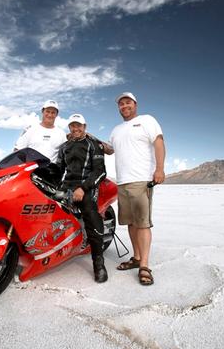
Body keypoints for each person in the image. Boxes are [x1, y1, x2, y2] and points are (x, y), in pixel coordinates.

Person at [108, 92, 165, 286]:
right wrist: (88, 137)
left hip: (141, 180)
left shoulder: (147, 120)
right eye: (121, 104)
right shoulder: (116, 130)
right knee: (131, 223)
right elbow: (110, 149)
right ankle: (137, 258)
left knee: (142, 223)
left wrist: (159, 168)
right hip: (122, 182)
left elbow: (158, 142)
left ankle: (145, 266)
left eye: (128, 103)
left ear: (135, 104)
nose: (124, 106)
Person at [57, 113, 108, 283]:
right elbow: (58, 169)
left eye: (79, 125)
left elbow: (100, 171)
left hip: (87, 186)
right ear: (69, 127)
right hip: (66, 186)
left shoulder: (93, 144)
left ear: (84, 127)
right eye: (72, 125)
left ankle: (98, 263)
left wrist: (83, 188)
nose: (76, 128)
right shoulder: (64, 146)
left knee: (91, 217)